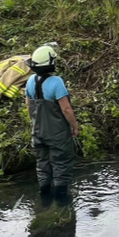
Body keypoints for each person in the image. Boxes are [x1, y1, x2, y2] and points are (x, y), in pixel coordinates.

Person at [26, 44, 79, 198]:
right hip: (58, 134)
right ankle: (62, 203)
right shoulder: (57, 82)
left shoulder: (30, 81)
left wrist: (35, 124)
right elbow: (66, 109)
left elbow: (29, 106)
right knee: (61, 165)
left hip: (38, 132)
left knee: (42, 166)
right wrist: (74, 126)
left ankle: (45, 200)